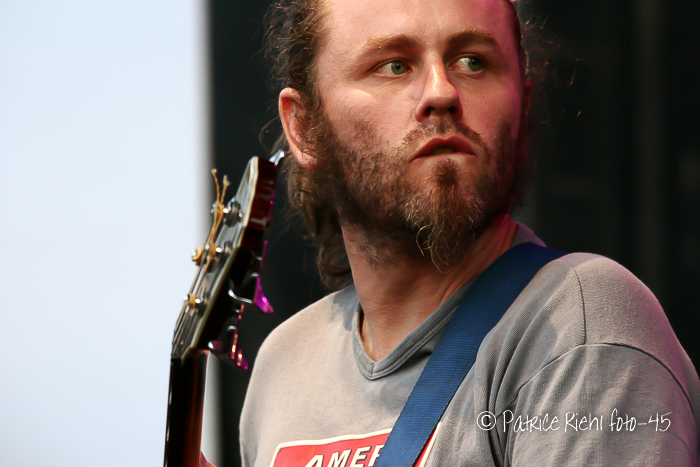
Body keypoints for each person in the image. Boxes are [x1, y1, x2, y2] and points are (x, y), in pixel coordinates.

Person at [228, 0, 700, 465]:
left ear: (522, 104)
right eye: (394, 66)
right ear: (304, 127)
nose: (442, 92)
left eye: (472, 62)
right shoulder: (284, 364)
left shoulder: (577, 322)